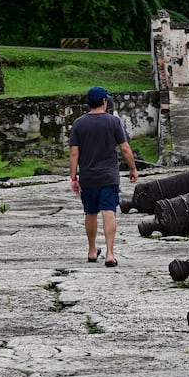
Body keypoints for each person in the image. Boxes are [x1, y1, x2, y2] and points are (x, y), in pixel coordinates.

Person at [68, 86, 139, 267]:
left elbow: (74, 154)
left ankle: (92, 251)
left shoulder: (79, 124)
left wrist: (73, 178)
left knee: (90, 212)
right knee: (109, 211)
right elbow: (124, 148)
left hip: (88, 176)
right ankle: (109, 253)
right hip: (108, 176)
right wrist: (133, 168)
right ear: (104, 101)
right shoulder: (113, 122)